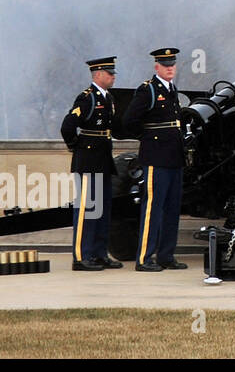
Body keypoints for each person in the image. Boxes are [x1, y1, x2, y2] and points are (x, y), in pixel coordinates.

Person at [124, 47, 187, 272]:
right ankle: (144, 257)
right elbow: (130, 120)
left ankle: (166, 255)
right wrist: (149, 138)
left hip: (174, 157)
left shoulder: (172, 90)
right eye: (165, 64)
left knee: (171, 209)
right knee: (153, 207)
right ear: (157, 67)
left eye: (172, 64)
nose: (170, 68)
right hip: (156, 156)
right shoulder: (148, 90)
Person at [60, 56, 123, 270]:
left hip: (103, 160)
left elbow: (115, 127)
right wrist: (75, 146)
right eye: (109, 73)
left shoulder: (109, 98)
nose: (113, 76)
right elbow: (68, 126)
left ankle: (99, 253)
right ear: (97, 74)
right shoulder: (87, 98)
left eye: (113, 73)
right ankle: (81, 256)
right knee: (87, 210)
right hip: (87, 161)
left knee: (103, 210)